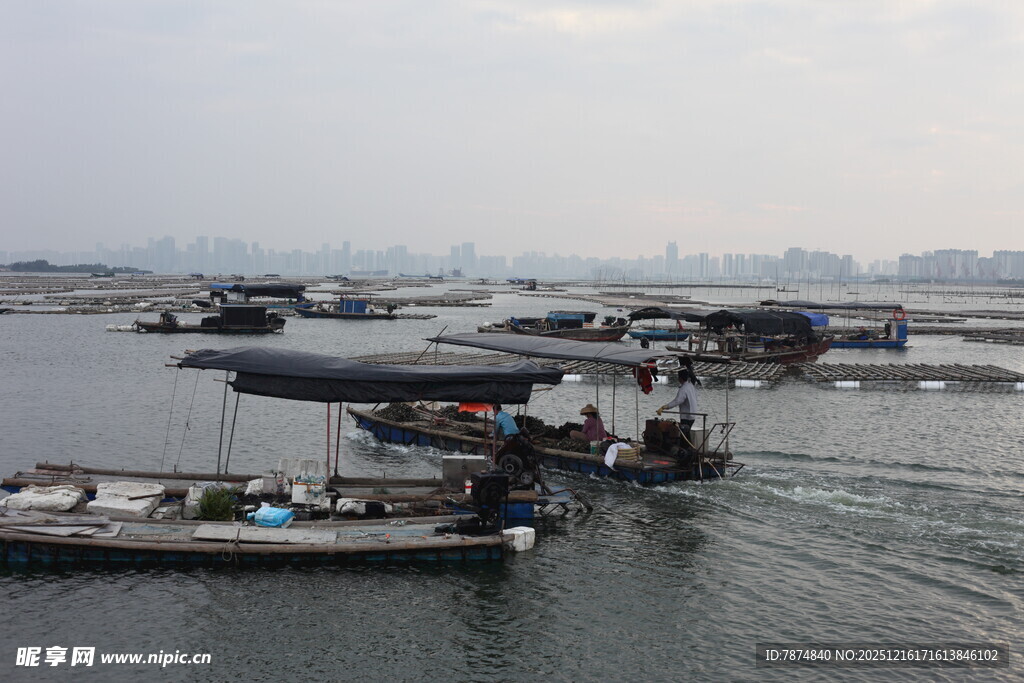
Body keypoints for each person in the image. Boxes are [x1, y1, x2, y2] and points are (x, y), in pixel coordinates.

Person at [657, 370, 699, 443]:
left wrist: (665, 407)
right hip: (693, 415)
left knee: (684, 435)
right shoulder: (690, 385)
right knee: (686, 434)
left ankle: (687, 450)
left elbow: (677, 401)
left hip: (686, 416)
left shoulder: (684, 389)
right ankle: (687, 449)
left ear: (680, 378)